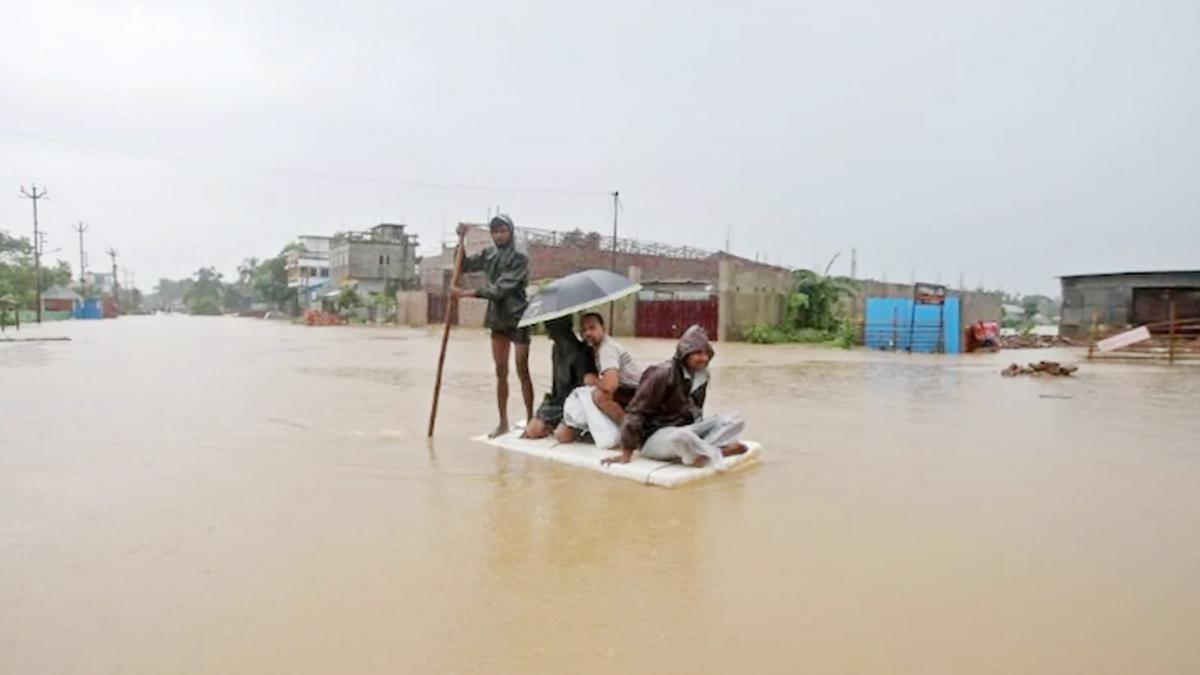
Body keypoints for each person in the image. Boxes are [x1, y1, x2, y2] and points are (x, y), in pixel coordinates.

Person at [602, 325, 748, 468]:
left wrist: (703, 432)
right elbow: (635, 412)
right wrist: (626, 452)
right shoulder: (662, 374)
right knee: (683, 437)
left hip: (687, 430)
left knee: (735, 419)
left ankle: (701, 452)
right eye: (698, 353)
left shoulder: (701, 376)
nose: (704, 358)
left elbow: (697, 411)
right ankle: (715, 451)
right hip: (655, 438)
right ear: (685, 353)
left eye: (706, 353)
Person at [452, 215, 534, 438]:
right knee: (500, 371)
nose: (499, 236)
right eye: (495, 232)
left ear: (510, 231)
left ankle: (530, 420)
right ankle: (503, 422)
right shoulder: (488, 253)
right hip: (497, 318)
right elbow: (464, 265)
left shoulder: (519, 257)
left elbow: (500, 289)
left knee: (522, 369)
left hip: (518, 317)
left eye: (503, 231)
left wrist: (467, 293)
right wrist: (461, 240)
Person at [522, 316, 595, 440]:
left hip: (575, 403)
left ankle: (573, 428)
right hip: (558, 401)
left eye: (550, 330)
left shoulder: (581, 352)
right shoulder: (556, 349)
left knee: (561, 435)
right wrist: (544, 410)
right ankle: (554, 424)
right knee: (532, 431)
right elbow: (555, 385)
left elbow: (583, 390)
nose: (549, 335)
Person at [579, 312, 643, 423]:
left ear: (603, 328)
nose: (587, 333)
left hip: (637, 392)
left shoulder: (607, 349)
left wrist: (593, 380)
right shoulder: (598, 348)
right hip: (628, 390)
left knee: (600, 396)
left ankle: (630, 429)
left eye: (592, 328)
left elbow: (610, 385)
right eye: (584, 330)